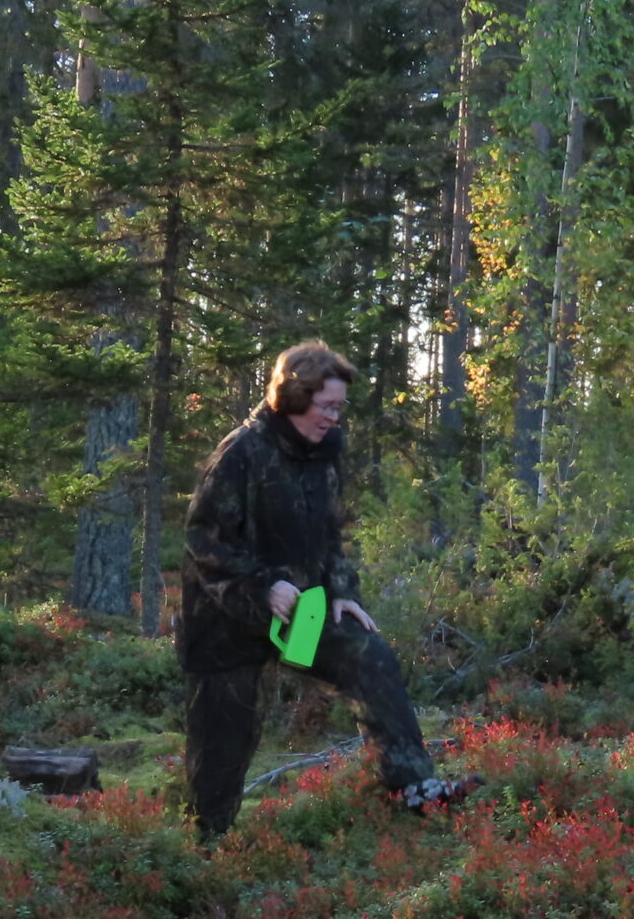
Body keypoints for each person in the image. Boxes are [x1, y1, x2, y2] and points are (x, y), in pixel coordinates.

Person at [179, 341, 468, 840]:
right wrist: (263, 586)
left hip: (304, 614)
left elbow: (331, 533)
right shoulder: (240, 454)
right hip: (226, 624)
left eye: (340, 406)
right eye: (327, 405)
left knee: (370, 656)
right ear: (292, 397)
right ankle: (206, 850)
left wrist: (339, 590)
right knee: (223, 747)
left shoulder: (322, 456)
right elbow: (205, 541)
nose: (335, 417)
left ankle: (415, 789)